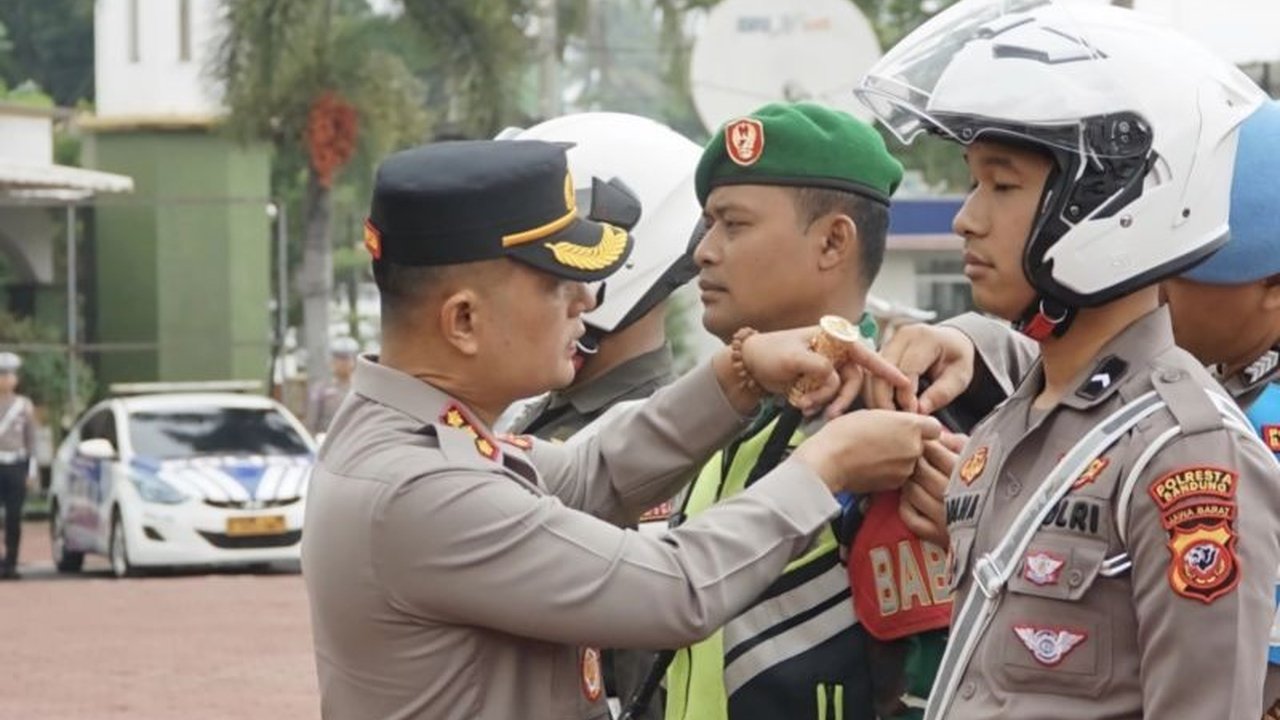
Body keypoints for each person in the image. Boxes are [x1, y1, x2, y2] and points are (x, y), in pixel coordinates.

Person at [300, 138, 942, 720]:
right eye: (559, 285)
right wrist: (825, 468)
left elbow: (589, 474)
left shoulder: (412, 435)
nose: (587, 300)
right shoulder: (421, 488)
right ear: (463, 320)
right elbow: (675, 588)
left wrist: (740, 371)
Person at [854, 1, 1280, 717]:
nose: (966, 216)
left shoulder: (1186, 453)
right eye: (972, 182)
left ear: (1107, 206)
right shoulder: (1005, 431)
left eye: (1002, 185)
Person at [662, 102, 961, 720]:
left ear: (832, 242)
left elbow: (928, 685)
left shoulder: (894, 424)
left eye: (733, 225)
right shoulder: (732, 416)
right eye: (707, 226)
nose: (704, 253)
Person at [497, 111, 704, 719]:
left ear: (613, 264)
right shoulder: (532, 413)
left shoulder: (667, 442)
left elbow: (648, 683)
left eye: (533, 261)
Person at [0, 351, 38, 580]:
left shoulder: (24, 405)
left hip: (16, 466)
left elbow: (31, 440)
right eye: (2, 374)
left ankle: (11, 562)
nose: (6, 379)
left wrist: (30, 471)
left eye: (10, 374)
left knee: (14, 516)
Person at [306, 336, 359, 434]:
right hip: (328, 440)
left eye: (347, 358)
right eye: (340, 358)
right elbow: (311, 422)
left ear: (354, 361)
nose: (344, 363)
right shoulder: (320, 389)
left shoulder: (361, 388)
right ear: (332, 361)